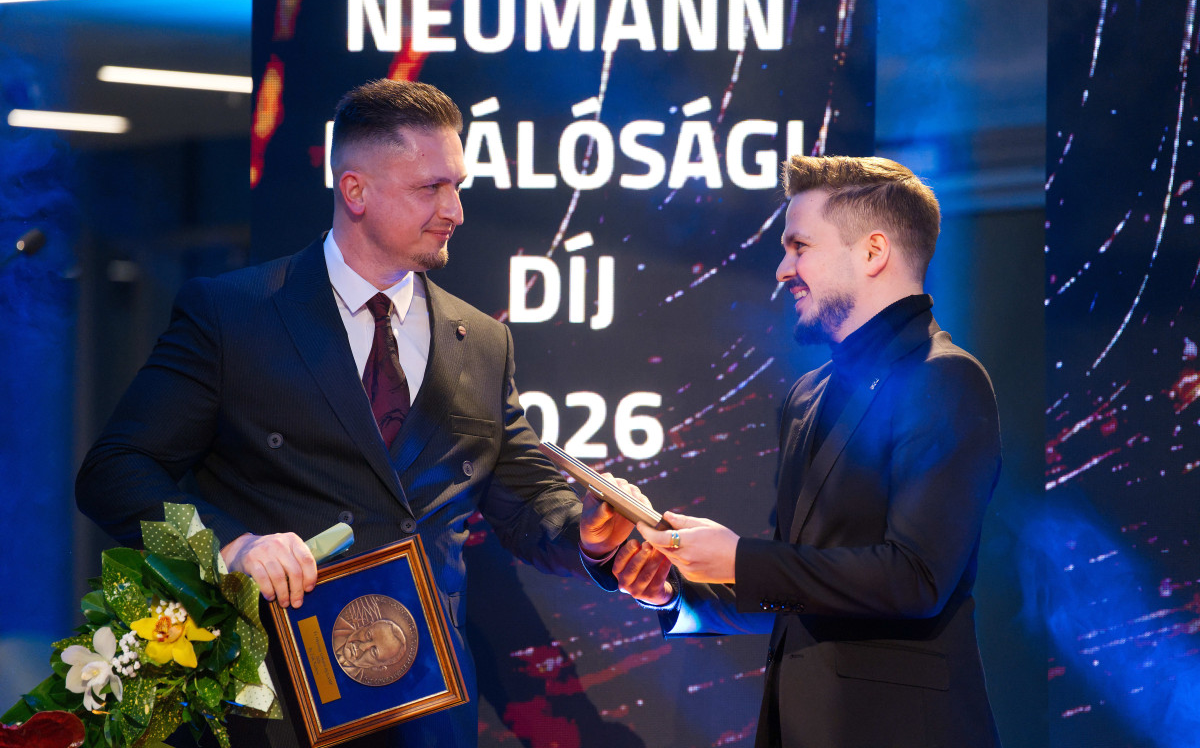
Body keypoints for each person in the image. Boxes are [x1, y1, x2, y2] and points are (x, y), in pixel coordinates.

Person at [75, 78, 634, 747]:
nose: (455, 210)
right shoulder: (234, 315)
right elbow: (116, 473)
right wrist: (230, 546)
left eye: (458, 186)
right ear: (355, 190)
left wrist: (588, 535)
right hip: (275, 705)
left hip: (429, 710)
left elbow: (528, 502)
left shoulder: (483, 342)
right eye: (431, 188)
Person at [610, 155, 1003, 747]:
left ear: (873, 252)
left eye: (800, 247)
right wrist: (677, 591)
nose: (782, 269)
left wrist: (740, 559)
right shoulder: (806, 395)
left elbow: (916, 579)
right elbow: (798, 588)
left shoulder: (946, 379)